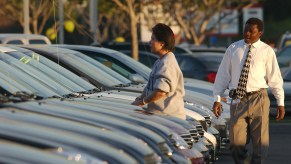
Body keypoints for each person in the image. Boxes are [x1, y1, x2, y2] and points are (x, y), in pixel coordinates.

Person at [212, 17, 285, 164]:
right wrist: (217, 99)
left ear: (260, 33)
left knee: (260, 144)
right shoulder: (233, 49)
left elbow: (275, 78)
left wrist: (280, 102)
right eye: (246, 30)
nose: (247, 34)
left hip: (259, 99)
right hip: (238, 100)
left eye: (251, 31)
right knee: (235, 143)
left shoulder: (267, 51)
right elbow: (222, 75)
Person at [131, 23, 186, 120]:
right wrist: (140, 98)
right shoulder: (160, 61)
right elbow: (150, 87)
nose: (150, 42)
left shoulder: (167, 63)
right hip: (161, 117)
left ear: (162, 43)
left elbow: (161, 92)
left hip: (169, 119)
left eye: (153, 39)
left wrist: (142, 102)